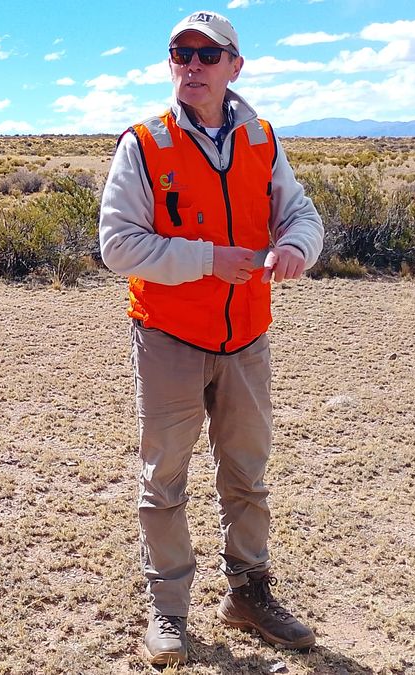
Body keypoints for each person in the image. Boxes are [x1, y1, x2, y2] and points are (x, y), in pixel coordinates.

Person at [97, 10, 326, 667]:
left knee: (246, 475)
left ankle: (249, 593)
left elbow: (300, 212)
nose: (191, 65)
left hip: (247, 338)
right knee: (163, 479)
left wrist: (296, 245)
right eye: (180, 53)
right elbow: (117, 244)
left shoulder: (260, 138)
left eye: (207, 53)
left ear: (234, 65)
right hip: (168, 336)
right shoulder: (144, 143)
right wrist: (208, 258)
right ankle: (168, 610)